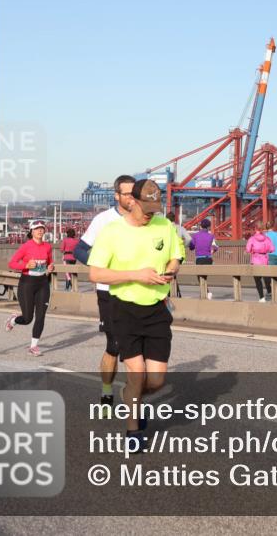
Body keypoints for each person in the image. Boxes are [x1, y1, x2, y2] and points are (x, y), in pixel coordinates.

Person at [88, 178, 183, 449]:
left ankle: (130, 394)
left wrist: (173, 268)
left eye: (155, 209)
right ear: (132, 202)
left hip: (156, 310)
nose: (150, 215)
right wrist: (136, 275)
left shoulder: (164, 225)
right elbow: (95, 272)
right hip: (124, 309)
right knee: (137, 373)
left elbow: (177, 254)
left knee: (156, 380)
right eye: (146, 209)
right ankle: (133, 431)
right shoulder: (112, 232)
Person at [74, 174, 136, 414]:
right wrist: (100, 263)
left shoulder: (146, 219)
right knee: (115, 345)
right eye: (127, 193)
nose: (132, 197)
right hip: (109, 292)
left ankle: (133, 398)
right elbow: (80, 249)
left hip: (138, 292)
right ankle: (107, 389)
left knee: (137, 347)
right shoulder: (104, 219)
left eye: (135, 193)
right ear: (117, 195)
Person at [6, 220, 55, 356]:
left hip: (43, 284)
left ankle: (33, 346)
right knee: (27, 319)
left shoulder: (47, 247)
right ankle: (13, 320)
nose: (40, 231)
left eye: (42, 229)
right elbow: (12, 263)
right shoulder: (26, 246)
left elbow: (50, 263)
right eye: (37, 229)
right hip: (27, 283)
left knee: (41, 316)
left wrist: (50, 267)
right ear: (32, 231)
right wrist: (26, 266)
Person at [246, 222, 275, 302]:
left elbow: (248, 250)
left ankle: (261, 297)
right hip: (264, 259)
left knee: (258, 280)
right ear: (262, 229)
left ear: (255, 229)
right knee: (266, 277)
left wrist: (253, 250)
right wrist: (266, 250)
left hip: (255, 260)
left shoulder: (252, 239)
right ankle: (269, 291)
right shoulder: (267, 239)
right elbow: (272, 249)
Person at [165, 212, 191, 298]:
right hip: (179, 254)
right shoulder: (180, 228)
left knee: (168, 274)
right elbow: (189, 239)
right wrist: (184, 245)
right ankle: (177, 294)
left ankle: (168, 294)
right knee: (174, 274)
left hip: (168, 255)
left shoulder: (164, 228)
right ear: (174, 219)